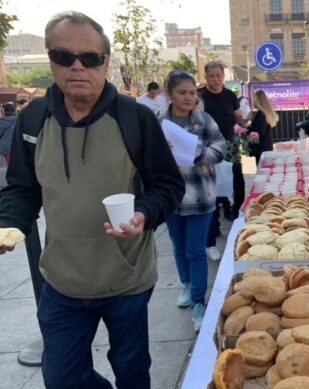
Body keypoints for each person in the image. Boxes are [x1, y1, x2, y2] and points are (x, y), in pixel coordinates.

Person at [0, 12, 184, 388]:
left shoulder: (134, 118)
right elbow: (21, 188)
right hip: (62, 281)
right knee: (62, 378)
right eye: (64, 57)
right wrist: (9, 224)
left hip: (126, 279)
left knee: (132, 373)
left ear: (106, 63)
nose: (77, 67)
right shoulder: (33, 119)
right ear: (52, 61)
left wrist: (142, 213)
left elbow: (168, 186)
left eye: (90, 58)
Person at [158, 71, 226, 331]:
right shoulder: (159, 121)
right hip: (171, 198)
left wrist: (193, 150)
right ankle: (186, 284)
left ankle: (199, 301)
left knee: (195, 250)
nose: (188, 98)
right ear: (169, 94)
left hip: (199, 197)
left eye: (191, 93)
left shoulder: (204, 120)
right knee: (177, 246)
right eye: (182, 93)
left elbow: (220, 151)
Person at [199, 61, 244, 260]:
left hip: (230, 147)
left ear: (223, 77)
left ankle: (238, 216)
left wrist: (245, 119)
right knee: (214, 191)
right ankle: (213, 231)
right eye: (212, 76)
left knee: (237, 182)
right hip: (208, 150)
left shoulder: (230, 96)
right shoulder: (200, 96)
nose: (216, 79)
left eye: (219, 75)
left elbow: (237, 118)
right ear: (206, 77)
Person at [248, 89, 277, 165]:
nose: (253, 101)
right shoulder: (264, 113)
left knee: (263, 171)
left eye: (254, 98)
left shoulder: (261, 114)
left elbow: (260, 131)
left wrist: (248, 128)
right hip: (266, 148)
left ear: (258, 100)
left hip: (262, 149)